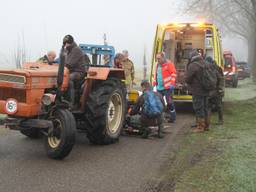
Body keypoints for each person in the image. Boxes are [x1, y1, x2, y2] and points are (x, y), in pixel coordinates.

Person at [185, 49, 209, 133]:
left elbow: (187, 79)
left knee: (199, 108)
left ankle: (200, 127)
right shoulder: (205, 63)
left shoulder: (193, 65)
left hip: (197, 90)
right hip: (206, 89)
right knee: (205, 108)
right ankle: (206, 125)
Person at [62, 34, 86, 108]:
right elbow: (62, 62)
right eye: (65, 43)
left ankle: (70, 103)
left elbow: (69, 64)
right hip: (69, 71)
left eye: (67, 43)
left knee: (68, 79)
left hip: (78, 72)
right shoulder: (67, 51)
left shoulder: (76, 50)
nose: (66, 44)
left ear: (71, 42)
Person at [153, 52, 177, 123]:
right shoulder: (157, 65)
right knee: (158, 102)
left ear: (163, 58)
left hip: (167, 87)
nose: (158, 60)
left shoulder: (169, 64)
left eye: (159, 58)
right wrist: (154, 83)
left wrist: (172, 84)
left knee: (169, 102)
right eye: (157, 58)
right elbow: (156, 75)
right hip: (159, 87)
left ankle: (173, 116)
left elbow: (174, 74)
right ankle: (160, 118)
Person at [205, 56, 224, 126]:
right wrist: (220, 89)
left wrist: (220, 88)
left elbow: (220, 79)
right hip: (216, 90)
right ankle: (220, 120)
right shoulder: (216, 68)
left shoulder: (211, 68)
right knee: (218, 106)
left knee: (209, 107)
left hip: (212, 91)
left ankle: (208, 122)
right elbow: (221, 79)